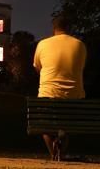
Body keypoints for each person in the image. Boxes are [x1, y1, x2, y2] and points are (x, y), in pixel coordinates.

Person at [33, 13, 87, 160]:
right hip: (73, 96)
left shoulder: (43, 44)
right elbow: (80, 68)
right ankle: (61, 148)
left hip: (47, 94)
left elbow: (37, 67)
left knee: (45, 126)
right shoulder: (80, 45)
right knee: (66, 126)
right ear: (68, 28)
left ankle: (54, 155)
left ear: (54, 28)